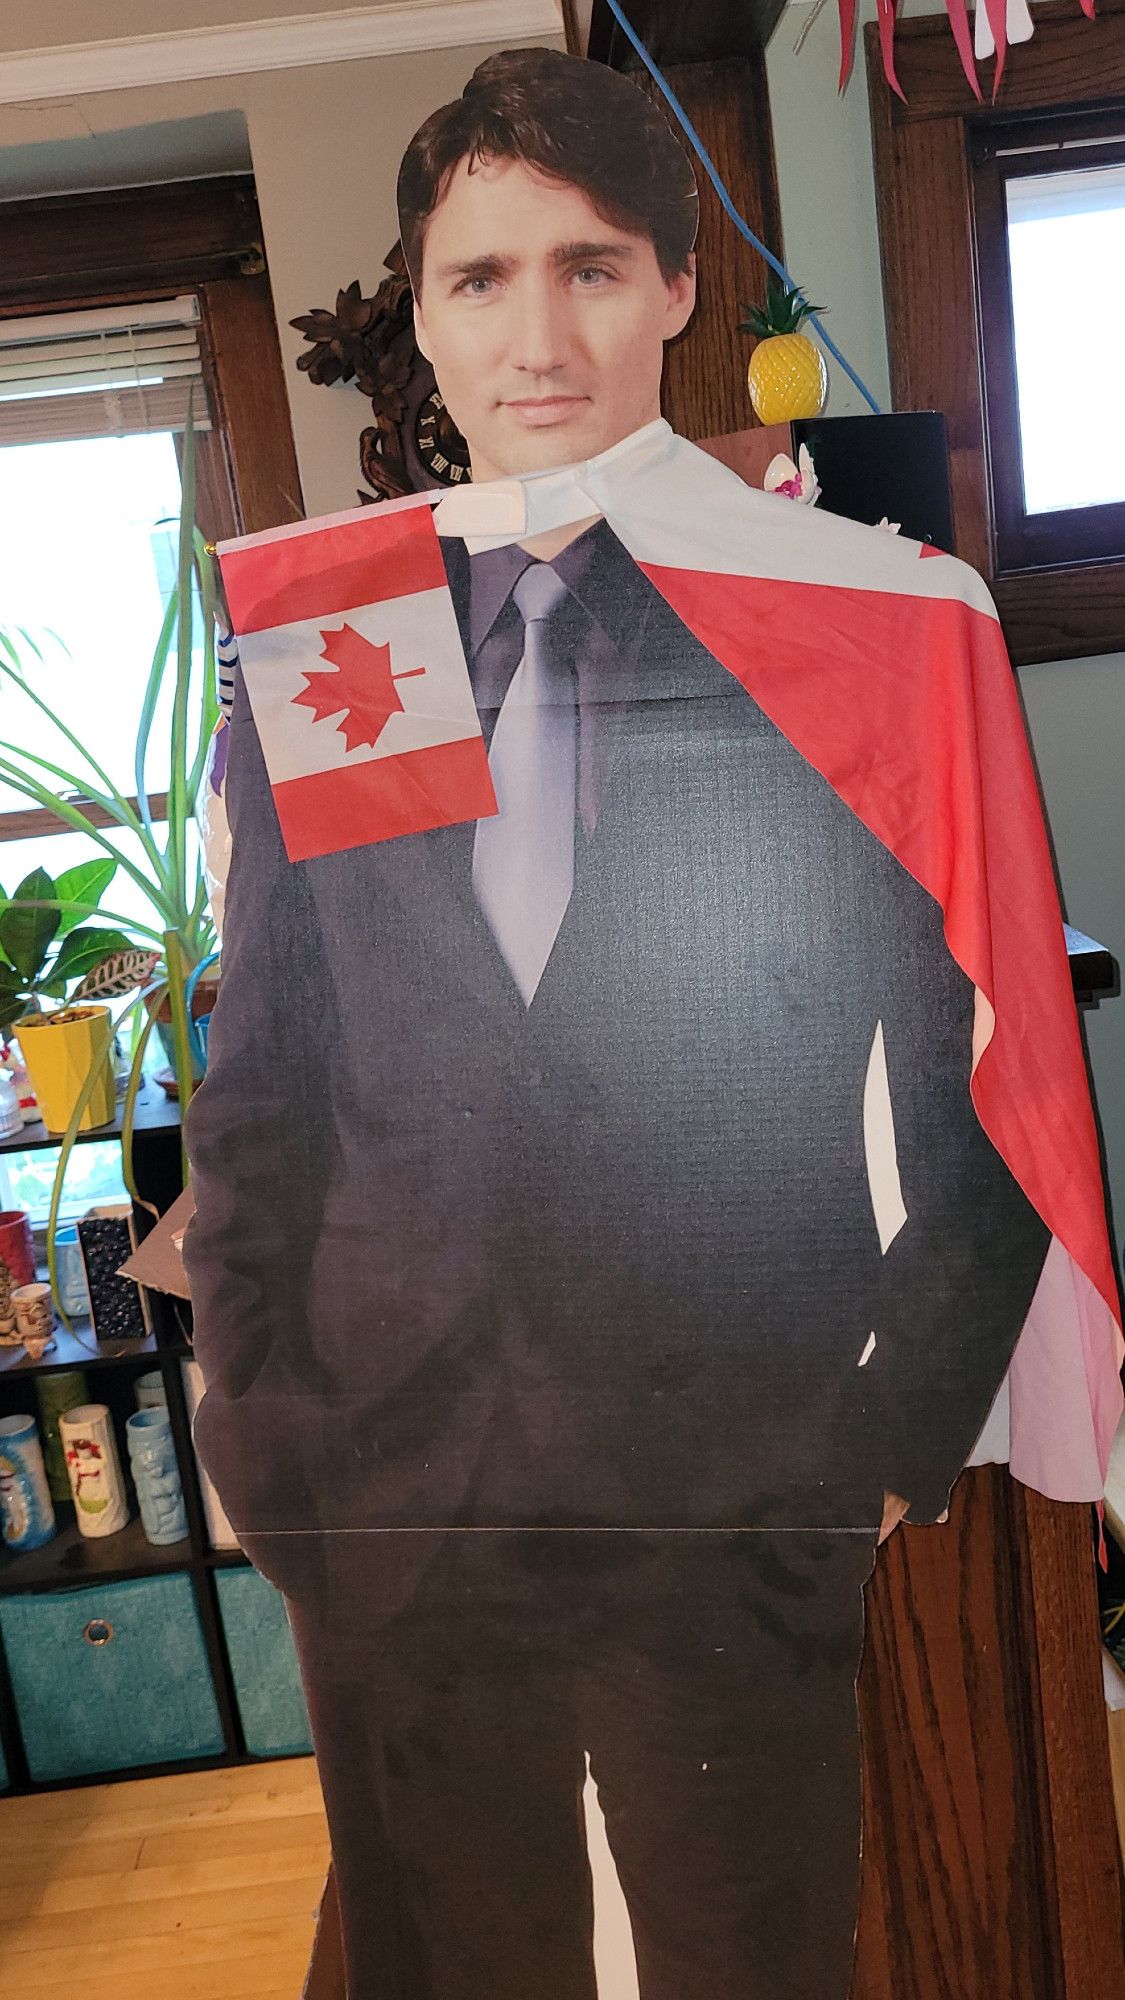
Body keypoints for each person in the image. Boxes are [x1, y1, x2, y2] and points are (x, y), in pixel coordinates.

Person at [183, 48, 1056, 1999]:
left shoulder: (844, 627)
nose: (534, 332)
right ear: (421, 311)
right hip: (391, 1479)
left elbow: (983, 1079)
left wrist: (877, 1445)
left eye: (586, 266)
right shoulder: (349, 641)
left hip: (725, 1483)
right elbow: (269, 1089)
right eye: (477, 278)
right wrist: (262, 1424)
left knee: (748, 1963)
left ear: (676, 284)